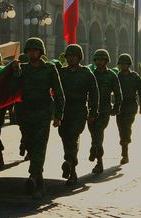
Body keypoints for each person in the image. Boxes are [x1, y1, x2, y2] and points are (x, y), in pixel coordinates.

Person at [12, 37, 64, 198]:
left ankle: (33, 177)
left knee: (39, 146)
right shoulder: (23, 69)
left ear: (41, 52)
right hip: (25, 113)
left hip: (43, 113)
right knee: (30, 145)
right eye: (29, 50)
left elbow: (59, 93)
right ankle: (38, 181)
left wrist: (58, 115)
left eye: (35, 50)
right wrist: (14, 71)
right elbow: (13, 89)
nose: (32, 53)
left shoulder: (50, 68)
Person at [58, 44, 99, 186]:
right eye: (68, 56)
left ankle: (71, 167)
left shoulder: (86, 74)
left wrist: (93, 112)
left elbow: (94, 94)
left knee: (73, 136)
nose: (71, 59)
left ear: (79, 57)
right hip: (64, 112)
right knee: (65, 137)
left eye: (74, 56)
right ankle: (69, 162)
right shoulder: (61, 73)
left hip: (79, 111)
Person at [88, 49, 122, 174]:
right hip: (91, 110)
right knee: (94, 134)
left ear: (106, 61)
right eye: (97, 59)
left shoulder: (112, 76)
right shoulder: (91, 75)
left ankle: (99, 161)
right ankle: (94, 148)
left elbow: (118, 94)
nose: (99, 62)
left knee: (98, 132)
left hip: (104, 110)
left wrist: (116, 108)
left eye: (102, 59)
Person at [116, 53, 141, 165]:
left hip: (131, 105)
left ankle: (125, 152)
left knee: (126, 126)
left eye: (125, 64)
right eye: (121, 64)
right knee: (120, 127)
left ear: (129, 65)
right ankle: (124, 144)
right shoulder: (117, 77)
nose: (123, 66)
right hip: (120, 106)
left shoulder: (135, 77)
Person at [14, 53, 29, 159]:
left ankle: (27, 148)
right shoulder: (16, 73)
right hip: (21, 105)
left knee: (30, 130)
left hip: (31, 106)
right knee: (24, 129)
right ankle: (24, 143)